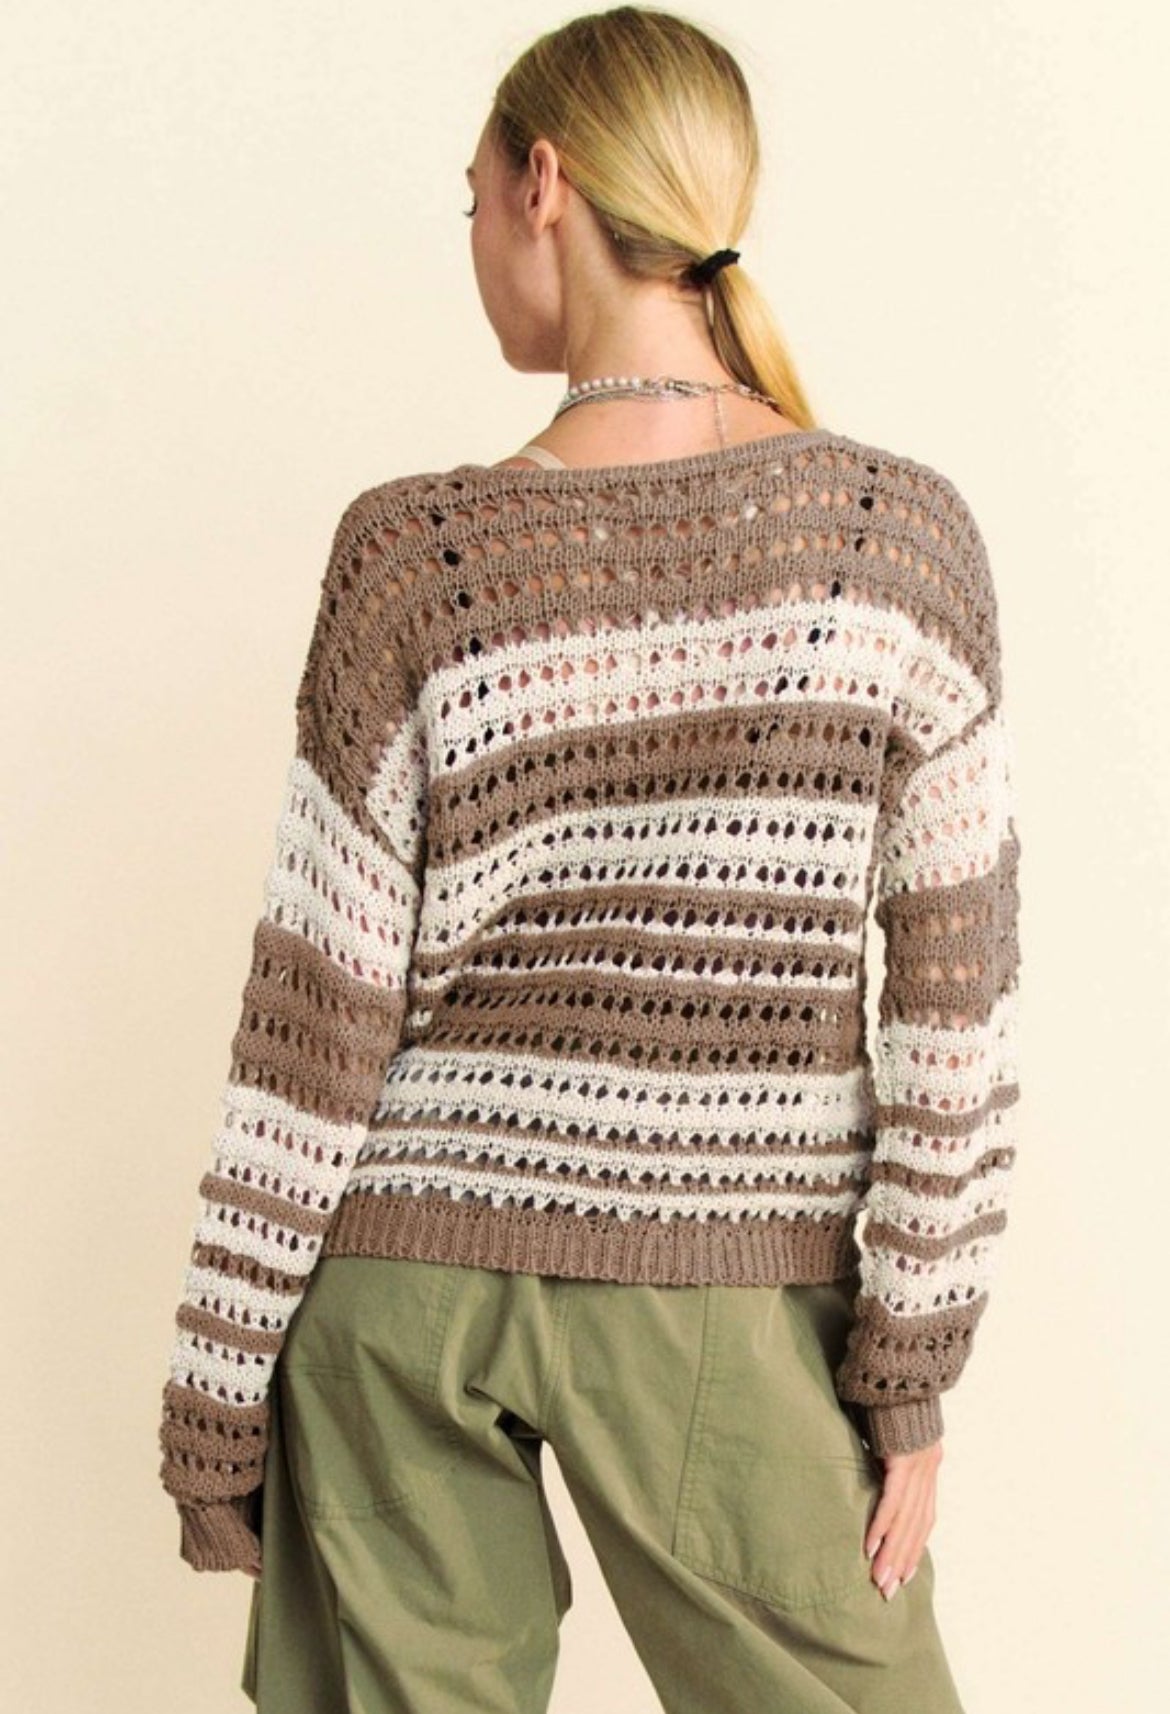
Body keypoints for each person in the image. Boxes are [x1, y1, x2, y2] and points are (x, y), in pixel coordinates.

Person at [157, 8, 1021, 1711]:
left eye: (472, 197)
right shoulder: (896, 541)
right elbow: (952, 1013)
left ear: (541, 182)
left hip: (400, 1289)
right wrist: (906, 1363)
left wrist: (218, 1381)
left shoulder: (414, 552)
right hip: (727, 1291)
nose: (475, 237)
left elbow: (313, 1024)